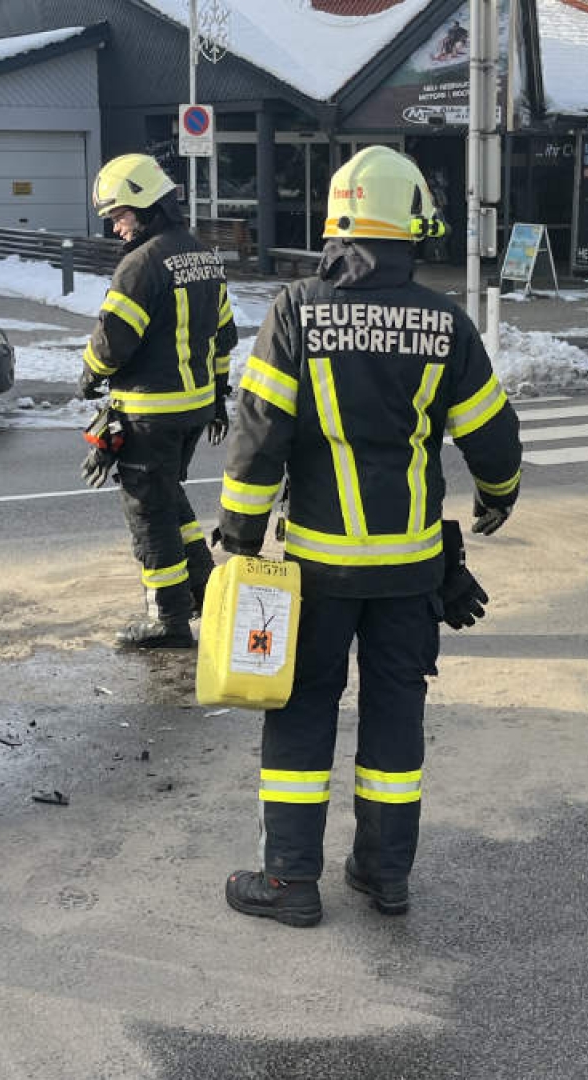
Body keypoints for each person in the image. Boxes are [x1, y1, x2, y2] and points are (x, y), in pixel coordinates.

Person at [213, 146, 522, 927]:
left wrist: (242, 535)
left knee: (302, 710)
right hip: (410, 572)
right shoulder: (443, 321)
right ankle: (385, 876)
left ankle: (289, 882)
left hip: (317, 568)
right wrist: (498, 494)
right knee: (395, 714)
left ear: (338, 224)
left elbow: (258, 435)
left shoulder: (296, 310)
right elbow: (491, 433)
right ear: (408, 224)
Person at [81, 153, 237, 648]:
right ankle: (205, 590)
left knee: (148, 514)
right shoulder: (203, 255)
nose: (115, 227)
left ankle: (166, 619)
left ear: (147, 205)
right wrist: (216, 400)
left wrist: (88, 374)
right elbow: (223, 335)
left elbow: (113, 343)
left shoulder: (140, 265)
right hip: (193, 408)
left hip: (149, 412)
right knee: (169, 496)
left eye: (119, 214)